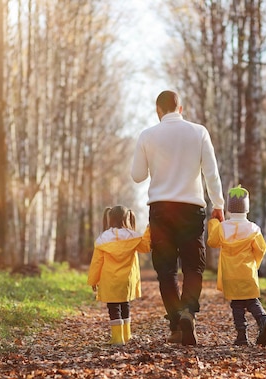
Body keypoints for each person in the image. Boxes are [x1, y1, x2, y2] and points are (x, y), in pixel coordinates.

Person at [131, 90, 225, 346]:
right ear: (180, 109)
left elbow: (137, 175)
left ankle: (175, 326)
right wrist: (218, 204)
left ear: (158, 110)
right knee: (193, 266)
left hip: (161, 210)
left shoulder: (147, 135)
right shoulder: (199, 132)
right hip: (191, 208)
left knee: (166, 270)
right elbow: (211, 172)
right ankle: (188, 312)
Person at [207, 184, 266, 346]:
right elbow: (261, 249)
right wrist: (254, 264)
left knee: (236, 304)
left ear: (229, 209)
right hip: (247, 272)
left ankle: (242, 336)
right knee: (252, 300)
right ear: (247, 208)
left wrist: (214, 223)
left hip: (230, 274)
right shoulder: (253, 228)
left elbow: (212, 242)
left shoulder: (223, 228)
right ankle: (263, 320)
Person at [87, 205, 151, 346]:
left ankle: (117, 338)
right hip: (127, 280)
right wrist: (149, 229)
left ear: (110, 218)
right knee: (125, 304)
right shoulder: (132, 236)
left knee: (113, 307)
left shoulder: (103, 238)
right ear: (126, 217)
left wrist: (93, 280)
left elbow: (97, 262)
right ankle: (127, 335)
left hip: (109, 279)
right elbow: (146, 247)